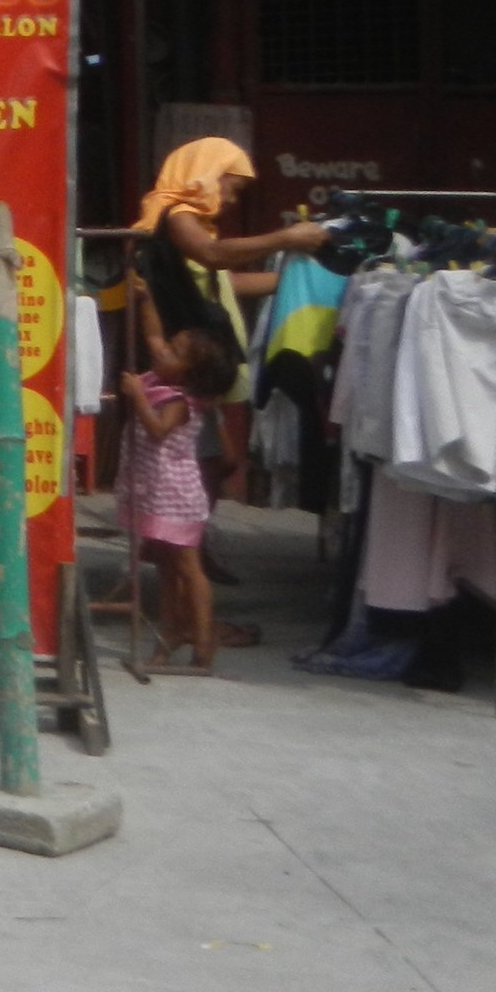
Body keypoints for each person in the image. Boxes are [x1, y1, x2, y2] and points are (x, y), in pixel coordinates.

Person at [130, 138, 325, 501]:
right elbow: (213, 256)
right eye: (231, 187)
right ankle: (184, 544)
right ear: (207, 175)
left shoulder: (189, 221)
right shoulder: (177, 215)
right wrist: (286, 237)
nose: (232, 200)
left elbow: (224, 280)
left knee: (217, 459)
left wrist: (296, 281)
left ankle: (188, 542)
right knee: (208, 460)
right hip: (185, 360)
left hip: (200, 362)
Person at [118, 318, 245, 666]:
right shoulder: (161, 381)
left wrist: (138, 396)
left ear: (190, 372)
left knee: (188, 567)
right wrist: (145, 301)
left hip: (176, 497)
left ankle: (203, 642)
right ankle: (169, 634)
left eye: (174, 352)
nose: (161, 351)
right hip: (156, 493)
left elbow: (158, 430)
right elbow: (154, 333)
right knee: (165, 566)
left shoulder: (177, 399)